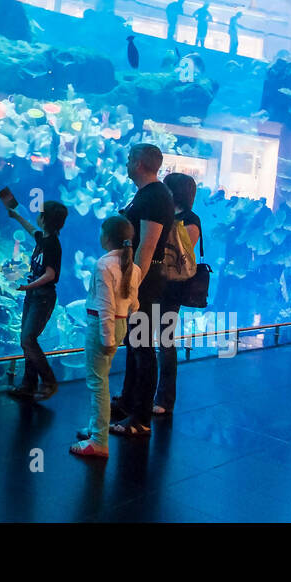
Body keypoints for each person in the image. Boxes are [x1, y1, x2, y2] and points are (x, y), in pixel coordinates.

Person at [110, 143, 175, 438]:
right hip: (142, 280)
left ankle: (139, 417)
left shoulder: (155, 196)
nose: (125, 163)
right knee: (134, 344)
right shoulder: (148, 194)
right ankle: (128, 402)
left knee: (142, 346)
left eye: (128, 159)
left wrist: (131, 286)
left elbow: (147, 248)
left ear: (138, 163)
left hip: (146, 283)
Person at [71, 215, 140, 459]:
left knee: (97, 383)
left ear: (107, 237)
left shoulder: (104, 265)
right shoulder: (133, 266)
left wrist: (107, 338)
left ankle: (99, 440)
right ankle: (95, 428)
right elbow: (133, 303)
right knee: (101, 380)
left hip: (102, 327)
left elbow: (105, 306)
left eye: (101, 232)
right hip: (119, 325)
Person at [7, 200, 67, 400]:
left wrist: (27, 286)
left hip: (43, 297)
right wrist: (16, 216)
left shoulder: (52, 245)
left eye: (40, 213)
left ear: (45, 219)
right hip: (34, 296)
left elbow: (50, 274)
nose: (37, 216)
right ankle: (28, 384)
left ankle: (49, 381)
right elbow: (31, 229)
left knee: (28, 339)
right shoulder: (44, 238)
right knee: (26, 340)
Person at [155, 172, 200, 417]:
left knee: (165, 342)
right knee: (146, 340)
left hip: (172, 289)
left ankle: (165, 399)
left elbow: (181, 254)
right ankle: (147, 393)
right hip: (155, 284)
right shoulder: (168, 215)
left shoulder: (190, 220)